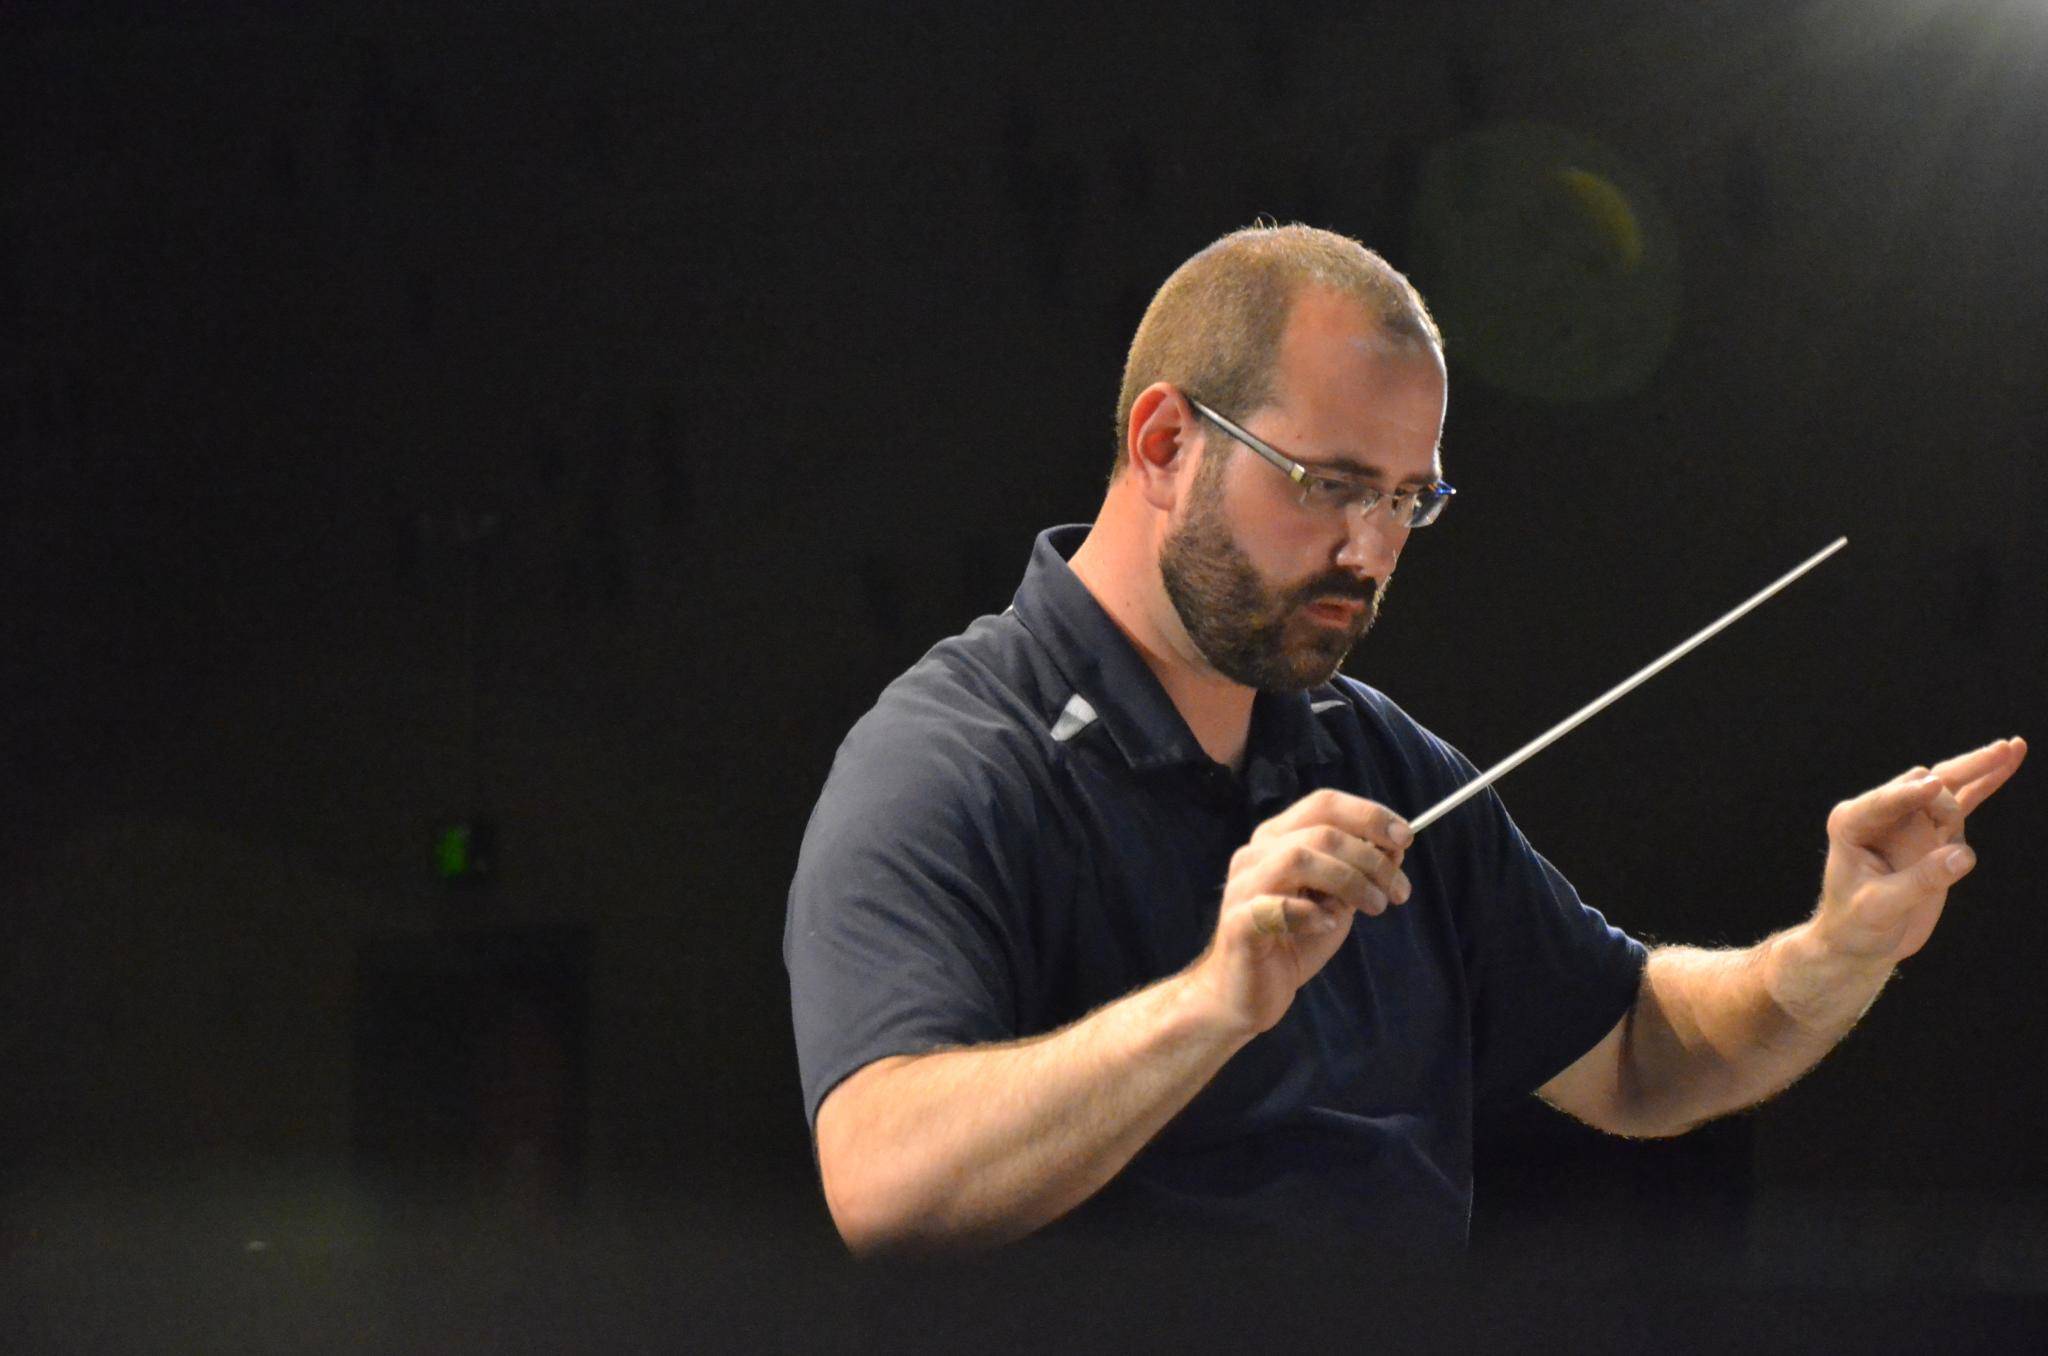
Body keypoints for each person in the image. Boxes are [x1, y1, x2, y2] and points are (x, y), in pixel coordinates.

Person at [782, 223, 2026, 1256]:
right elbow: (881, 1184)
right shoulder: (952, 758)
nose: (1368, 554)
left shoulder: (1366, 754)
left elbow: (1637, 1052)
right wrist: (1214, 1003)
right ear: (1166, 444)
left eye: (1403, 499)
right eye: (1328, 484)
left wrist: (1833, 951)